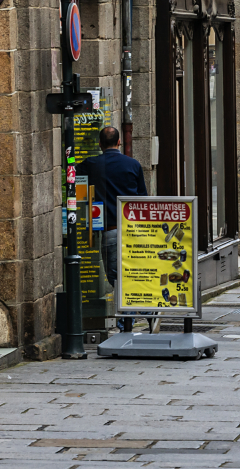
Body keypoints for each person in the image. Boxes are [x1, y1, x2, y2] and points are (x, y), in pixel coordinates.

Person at [80, 126, 148, 333]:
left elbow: (71, 172)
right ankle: (136, 311)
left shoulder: (92, 164)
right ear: (119, 142)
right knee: (132, 273)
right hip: (133, 231)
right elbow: (142, 198)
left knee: (115, 277)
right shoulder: (133, 164)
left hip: (109, 231)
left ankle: (126, 319)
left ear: (100, 144)